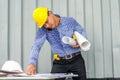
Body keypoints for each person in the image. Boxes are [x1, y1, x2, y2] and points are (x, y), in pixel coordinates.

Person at [26, 7, 87, 80]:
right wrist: (31, 63)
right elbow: (36, 46)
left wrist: (79, 41)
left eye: (46, 21)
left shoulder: (70, 21)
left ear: (50, 13)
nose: (47, 26)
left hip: (77, 61)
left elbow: (82, 31)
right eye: (44, 25)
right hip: (59, 63)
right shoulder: (43, 30)